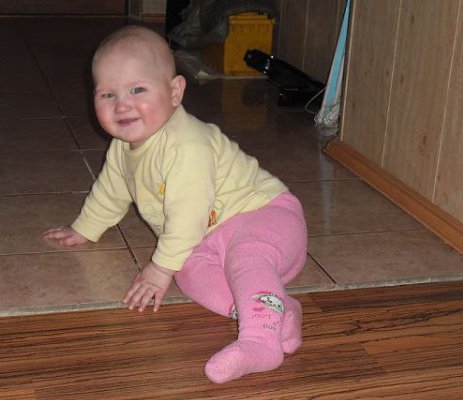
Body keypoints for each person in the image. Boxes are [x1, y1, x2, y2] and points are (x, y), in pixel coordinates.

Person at [42, 25, 308, 384]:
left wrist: (158, 269)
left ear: (174, 92)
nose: (122, 104)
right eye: (107, 94)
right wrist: (85, 228)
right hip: (208, 237)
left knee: (242, 258)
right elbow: (110, 190)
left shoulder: (187, 145)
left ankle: (260, 343)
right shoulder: (123, 147)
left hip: (265, 216)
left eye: (137, 89)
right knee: (189, 274)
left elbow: (187, 216)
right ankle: (273, 311)